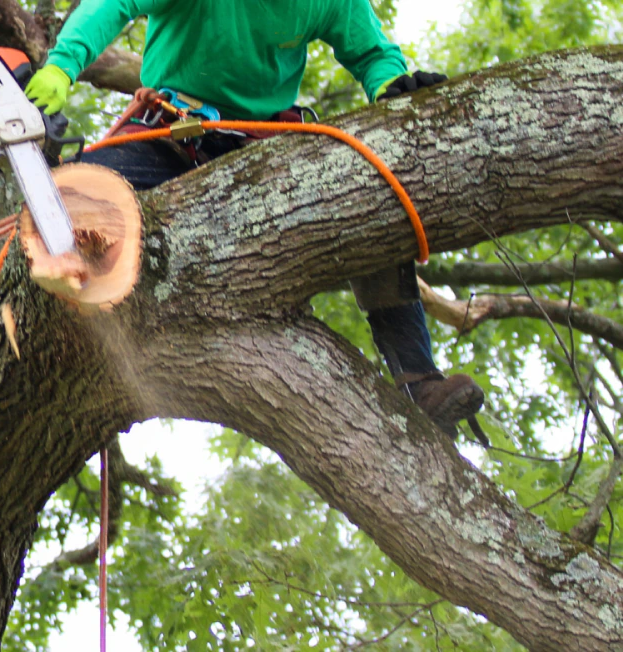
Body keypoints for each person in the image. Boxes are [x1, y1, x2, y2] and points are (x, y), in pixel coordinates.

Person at [24, 0, 485, 438]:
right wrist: (63, 65)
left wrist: (389, 85)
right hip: (168, 134)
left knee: (368, 195)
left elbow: (371, 52)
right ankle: (66, 309)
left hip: (262, 153)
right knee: (80, 202)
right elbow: (112, 5)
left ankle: (418, 380)